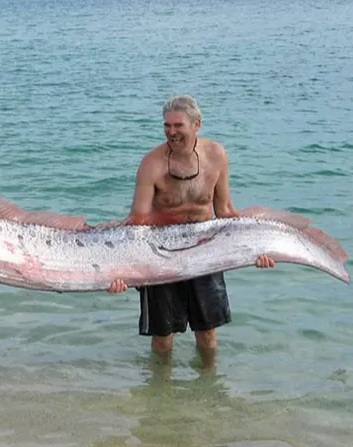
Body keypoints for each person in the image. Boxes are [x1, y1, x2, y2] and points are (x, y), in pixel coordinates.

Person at [108, 95, 275, 359]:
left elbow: (226, 211)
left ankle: (209, 393)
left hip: (204, 249)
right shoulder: (151, 164)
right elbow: (138, 222)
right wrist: (122, 272)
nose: (171, 132)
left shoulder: (217, 156)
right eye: (167, 126)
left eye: (178, 126)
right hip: (161, 253)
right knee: (162, 337)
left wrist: (257, 250)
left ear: (197, 124)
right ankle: (160, 395)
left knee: (207, 334)